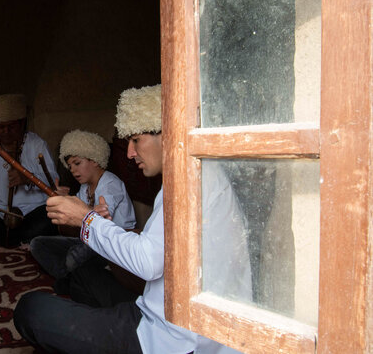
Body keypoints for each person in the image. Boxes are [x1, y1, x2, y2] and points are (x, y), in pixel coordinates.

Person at [13, 85, 249, 353]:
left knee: (31, 308)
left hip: (170, 339)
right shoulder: (195, 172)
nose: (129, 153)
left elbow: (148, 263)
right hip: (161, 309)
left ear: (168, 134)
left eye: (136, 140)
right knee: (83, 277)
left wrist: (87, 220)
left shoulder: (188, 181)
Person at [30, 129, 136, 280]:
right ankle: (69, 277)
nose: (73, 170)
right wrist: (64, 200)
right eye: (70, 166)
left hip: (113, 243)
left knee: (75, 256)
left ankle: (71, 277)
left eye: (77, 163)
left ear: (94, 159)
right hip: (89, 240)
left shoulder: (111, 183)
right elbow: (77, 218)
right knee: (38, 244)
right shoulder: (84, 187)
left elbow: (101, 217)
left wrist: (73, 207)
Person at [0, 93, 59, 247]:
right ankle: (17, 241)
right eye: (1, 127)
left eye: (11, 126)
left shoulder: (37, 145)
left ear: (22, 123)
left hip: (32, 213)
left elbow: (54, 179)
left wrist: (28, 178)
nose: (6, 131)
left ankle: (9, 240)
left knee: (50, 218)